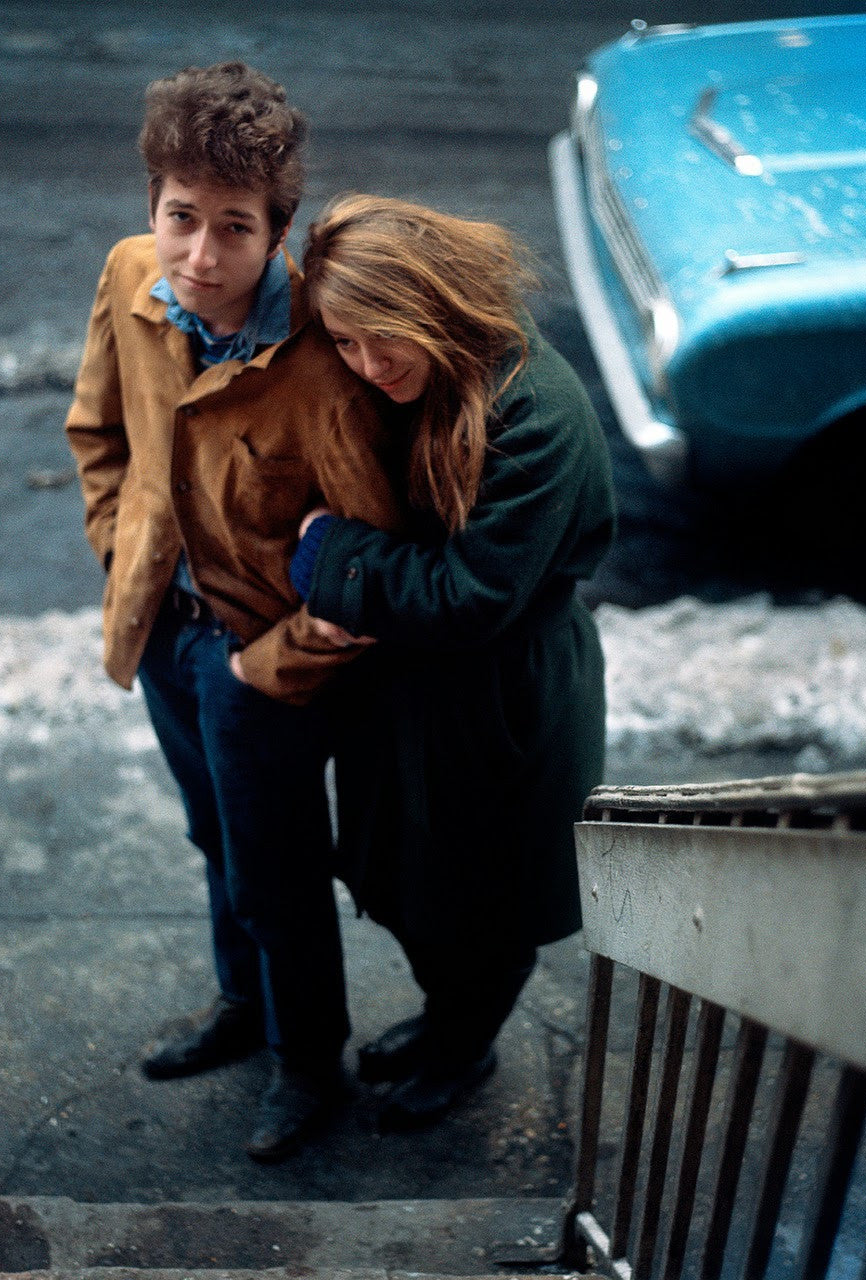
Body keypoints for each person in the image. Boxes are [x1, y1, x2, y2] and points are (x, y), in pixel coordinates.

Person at [64, 65, 401, 1162]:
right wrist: (124, 548)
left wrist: (271, 662)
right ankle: (242, 1005)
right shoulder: (127, 278)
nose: (199, 257)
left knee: (276, 863)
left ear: (279, 232)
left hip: (261, 664)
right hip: (164, 627)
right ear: (151, 208)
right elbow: (96, 432)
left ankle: (309, 1060)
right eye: (179, 219)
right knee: (211, 832)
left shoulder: (321, 362)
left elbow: (366, 565)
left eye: (233, 229)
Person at [290, 193, 617, 1130]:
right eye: (345, 344)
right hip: (417, 694)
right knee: (410, 884)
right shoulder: (424, 375)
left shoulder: (535, 415)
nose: (367, 365)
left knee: (484, 903)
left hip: (503, 700)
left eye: (379, 337)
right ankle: (445, 1022)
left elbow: (465, 597)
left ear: (429, 300)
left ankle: (463, 1049)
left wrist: (323, 555)